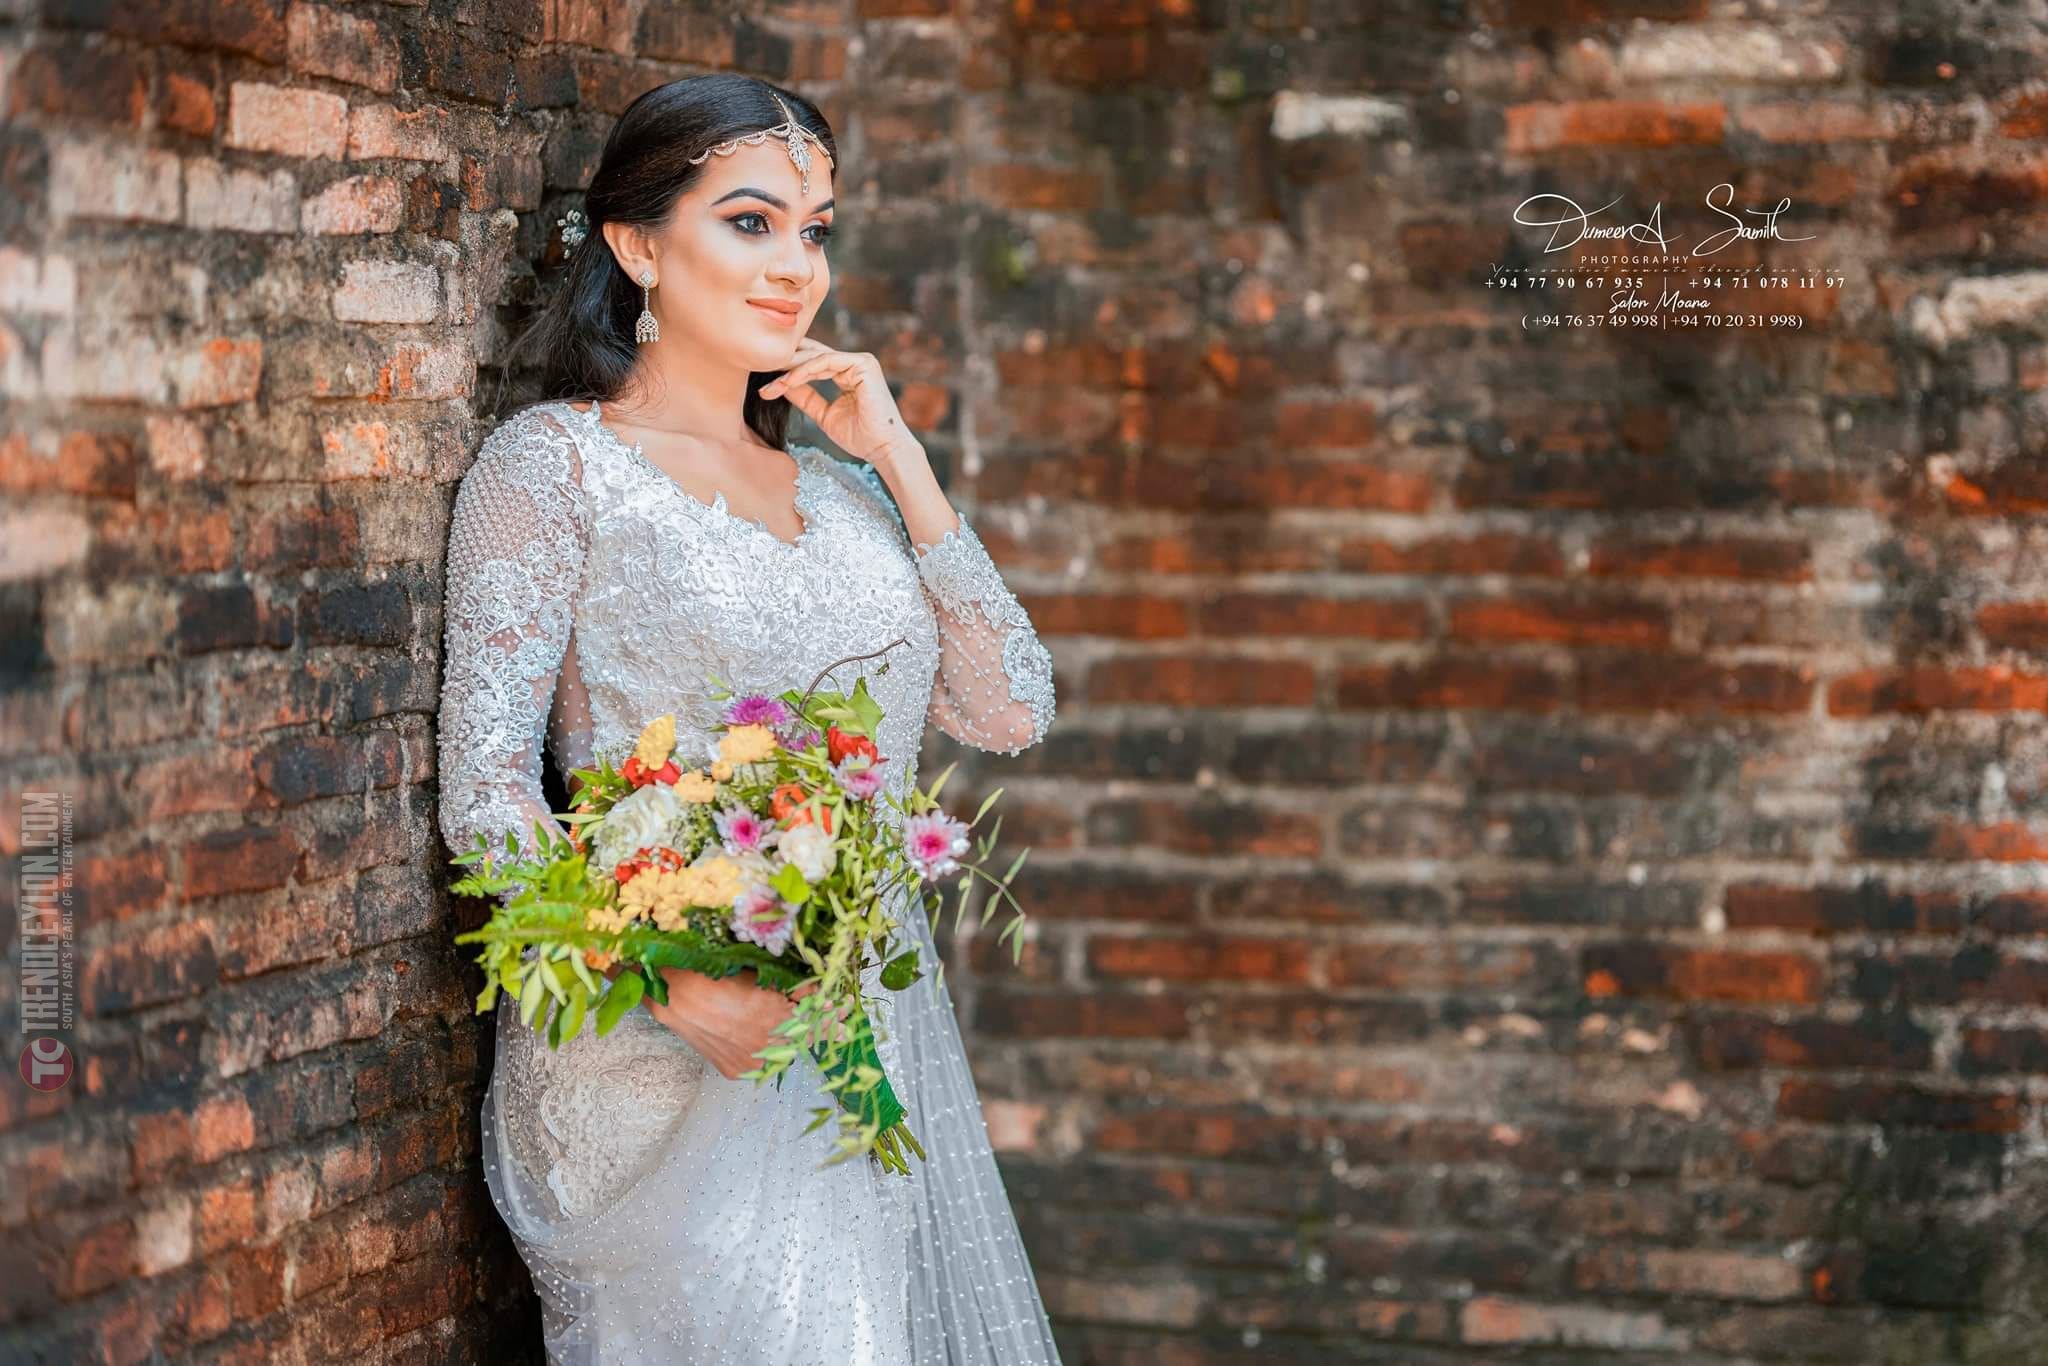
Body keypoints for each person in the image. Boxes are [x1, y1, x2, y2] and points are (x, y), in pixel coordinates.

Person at [433, 74, 1062, 1365]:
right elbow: (485, 791)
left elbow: (1009, 705)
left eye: (816, 229)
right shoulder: (554, 469)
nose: (795, 268)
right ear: (636, 242)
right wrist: (675, 985)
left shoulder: (846, 496)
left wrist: (902, 459)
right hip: (653, 1049)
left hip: (846, 1044)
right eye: (751, 221)